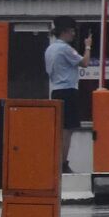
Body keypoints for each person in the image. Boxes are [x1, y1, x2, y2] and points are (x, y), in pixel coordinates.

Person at [43, 16, 93, 173]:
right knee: (67, 130)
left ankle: (57, 160)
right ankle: (63, 163)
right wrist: (88, 47)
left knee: (59, 129)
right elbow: (84, 62)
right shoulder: (65, 49)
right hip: (68, 90)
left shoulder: (50, 49)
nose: (73, 34)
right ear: (64, 31)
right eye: (72, 31)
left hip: (56, 90)